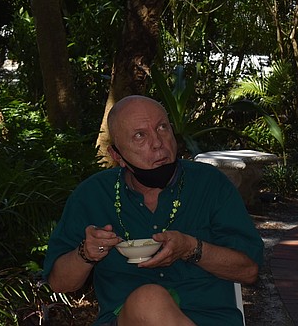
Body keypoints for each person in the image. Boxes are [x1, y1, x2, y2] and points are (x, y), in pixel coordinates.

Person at [44, 95, 263, 325]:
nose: (158, 142)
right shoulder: (93, 195)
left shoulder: (210, 185)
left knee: (149, 300)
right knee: (148, 300)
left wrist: (191, 248)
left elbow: (249, 270)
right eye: (140, 135)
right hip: (127, 319)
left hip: (209, 318)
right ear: (117, 155)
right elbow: (59, 283)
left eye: (162, 127)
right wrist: (85, 253)